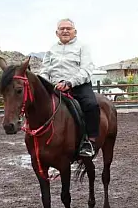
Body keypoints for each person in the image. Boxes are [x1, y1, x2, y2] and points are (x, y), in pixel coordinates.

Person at [39, 18, 99, 157]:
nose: (65, 31)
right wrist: (46, 82)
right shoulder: (51, 49)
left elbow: (86, 69)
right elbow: (44, 69)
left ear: (75, 32)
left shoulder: (83, 47)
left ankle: (89, 141)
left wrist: (69, 83)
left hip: (78, 85)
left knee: (91, 105)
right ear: (57, 32)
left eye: (68, 28)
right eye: (62, 29)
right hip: (54, 86)